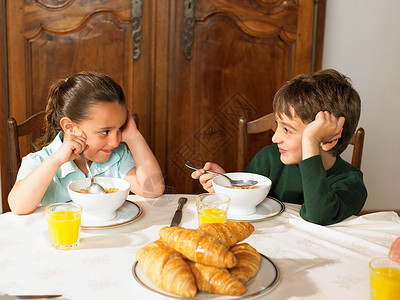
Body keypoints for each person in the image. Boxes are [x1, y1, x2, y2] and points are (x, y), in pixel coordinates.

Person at [191, 69, 367, 225]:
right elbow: (248, 204)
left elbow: (318, 216)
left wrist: (310, 141)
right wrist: (226, 186)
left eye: (287, 130)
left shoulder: (351, 183)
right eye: (278, 125)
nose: (275, 138)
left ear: (327, 141)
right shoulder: (268, 158)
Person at [8, 71, 165, 215]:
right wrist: (56, 161)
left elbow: (153, 190)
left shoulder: (117, 158)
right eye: (105, 132)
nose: (116, 141)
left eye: (120, 128)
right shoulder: (40, 162)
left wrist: (133, 136)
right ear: (70, 128)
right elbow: (18, 207)